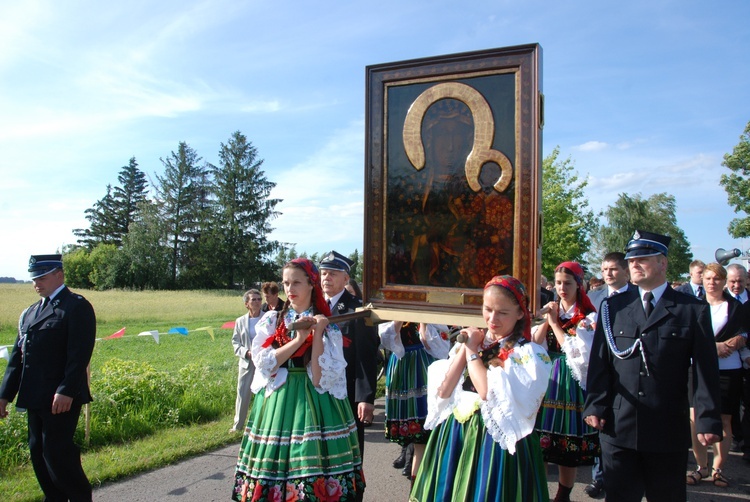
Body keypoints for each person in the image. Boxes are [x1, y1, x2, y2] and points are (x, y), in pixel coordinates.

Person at [584, 230, 722, 502]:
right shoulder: (614, 307)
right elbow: (600, 361)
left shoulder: (691, 309)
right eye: (631, 259)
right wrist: (595, 404)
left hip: (666, 427)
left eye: (643, 258)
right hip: (619, 426)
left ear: (663, 263)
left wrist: (707, 418)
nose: (634, 264)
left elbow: (706, 369)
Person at [231, 258, 365, 501]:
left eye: (296, 283)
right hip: (279, 401)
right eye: (285, 283)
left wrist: (318, 333)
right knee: (275, 468)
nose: (289, 290)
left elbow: (319, 379)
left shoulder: (327, 326)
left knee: (310, 464)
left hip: (315, 403)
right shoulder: (273, 320)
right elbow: (265, 363)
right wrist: (299, 339)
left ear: (311, 285)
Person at [410, 275, 552, 501]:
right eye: (487, 309)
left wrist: (472, 351)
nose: (492, 318)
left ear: (519, 313)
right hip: (457, 433)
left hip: (493, 441)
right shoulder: (475, 341)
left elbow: (486, 391)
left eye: (502, 312)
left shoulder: (526, 354)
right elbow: (444, 391)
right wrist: (467, 347)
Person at [0, 254, 96, 501]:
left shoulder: (76, 306)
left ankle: (79, 497)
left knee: (57, 454)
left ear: (59, 275)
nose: (36, 283)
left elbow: (79, 355)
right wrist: (4, 396)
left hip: (61, 398)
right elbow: (18, 358)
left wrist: (66, 389)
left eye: (41, 278)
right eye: (33, 279)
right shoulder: (30, 313)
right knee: (38, 453)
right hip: (35, 396)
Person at [532, 261, 599, 502]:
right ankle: (538, 490)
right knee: (539, 439)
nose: (561, 288)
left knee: (566, 444)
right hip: (548, 374)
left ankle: (563, 494)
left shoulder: (588, 317)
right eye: (558, 283)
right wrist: (544, 320)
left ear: (578, 285)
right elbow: (536, 344)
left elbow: (576, 353)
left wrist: (554, 324)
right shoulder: (553, 309)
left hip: (570, 378)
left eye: (567, 283)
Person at [686, 262, 747, 488]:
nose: (712, 282)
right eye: (708, 278)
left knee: (724, 420)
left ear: (724, 282)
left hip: (728, 369)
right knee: (695, 419)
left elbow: (744, 333)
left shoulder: (736, 307)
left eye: (717, 279)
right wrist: (714, 347)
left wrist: (740, 339)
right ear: (702, 280)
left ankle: (718, 469)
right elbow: (688, 337)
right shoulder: (693, 305)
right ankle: (700, 467)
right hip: (698, 368)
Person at [319, 251, 380, 463]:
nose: (326, 278)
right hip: (319, 392)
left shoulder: (357, 308)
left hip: (348, 392)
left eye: (333, 273)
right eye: (324, 273)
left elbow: (367, 354)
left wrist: (365, 398)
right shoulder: (316, 307)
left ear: (346, 278)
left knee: (349, 451)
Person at [583, 252, 631, 498]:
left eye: (613, 269)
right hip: (596, 364)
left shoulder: (634, 298)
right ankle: (598, 477)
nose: (608, 274)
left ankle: (615, 477)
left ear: (626, 271)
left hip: (622, 371)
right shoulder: (594, 297)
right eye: (604, 269)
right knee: (598, 426)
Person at [378, 321, 450, 479]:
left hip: (424, 364)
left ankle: (421, 466)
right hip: (402, 365)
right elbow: (388, 341)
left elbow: (437, 347)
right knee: (414, 430)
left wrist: (423, 321)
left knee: (427, 423)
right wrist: (399, 318)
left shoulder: (431, 319)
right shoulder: (396, 315)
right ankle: (410, 459)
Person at [229, 289, 263, 433]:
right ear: (246, 304)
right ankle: (238, 425)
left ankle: (261, 425)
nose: (257, 302)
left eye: (259, 299)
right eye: (253, 299)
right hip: (247, 362)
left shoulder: (267, 318)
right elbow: (235, 342)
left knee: (263, 394)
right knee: (243, 393)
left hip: (263, 362)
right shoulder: (240, 321)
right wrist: (246, 353)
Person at [727, 263, 750, 461]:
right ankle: (737, 435)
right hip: (729, 362)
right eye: (732, 281)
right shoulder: (721, 301)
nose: (736, 285)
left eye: (740, 281)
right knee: (732, 403)